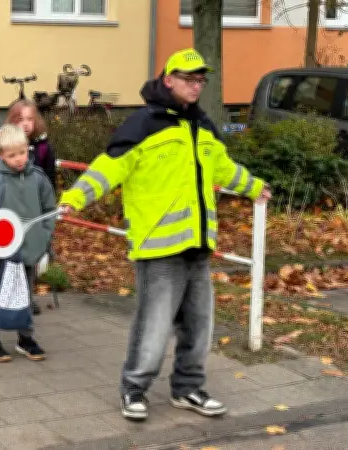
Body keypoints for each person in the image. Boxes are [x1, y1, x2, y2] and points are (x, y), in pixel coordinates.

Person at [59, 48, 271, 421]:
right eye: (189, 78)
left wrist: (253, 186)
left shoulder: (202, 126)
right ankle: (133, 389)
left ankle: (187, 388)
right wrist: (76, 197)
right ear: (168, 79)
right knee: (153, 326)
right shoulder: (143, 123)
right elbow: (108, 167)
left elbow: (222, 166)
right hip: (158, 248)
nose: (195, 85)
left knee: (199, 326)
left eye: (200, 79)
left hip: (198, 244)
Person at [0, 124, 56, 362]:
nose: (19, 159)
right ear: (1, 154)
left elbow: (49, 210)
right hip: (1, 252)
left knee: (26, 292)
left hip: (29, 249)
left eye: (23, 153)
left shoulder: (37, 178)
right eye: (11, 155)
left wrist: (43, 236)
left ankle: (25, 338)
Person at [6, 99, 57, 315]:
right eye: (20, 120)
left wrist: (48, 210)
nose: (26, 124)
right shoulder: (6, 145)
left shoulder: (44, 147)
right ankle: (9, 294)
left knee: (32, 254)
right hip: (11, 208)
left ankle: (27, 296)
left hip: (35, 210)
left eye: (30, 119)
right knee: (11, 254)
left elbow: (50, 181)